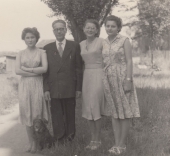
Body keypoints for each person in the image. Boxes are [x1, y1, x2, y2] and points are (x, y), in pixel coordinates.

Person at [102, 15, 140, 155]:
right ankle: (116, 144)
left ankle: (122, 145)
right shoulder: (104, 42)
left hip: (122, 77)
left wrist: (128, 80)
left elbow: (129, 61)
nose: (110, 28)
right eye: (107, 26)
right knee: (115, 112)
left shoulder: (125, 40)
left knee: (125, 111)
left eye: (113, 26)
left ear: (118, 28)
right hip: (109, 80)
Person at [43, 19, 83, 143]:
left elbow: (78, 68)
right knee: (56, 114)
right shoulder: (47, 48)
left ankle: (70, 139)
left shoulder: (74, 45)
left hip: (70, 86)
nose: (59, 31)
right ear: (53, 31)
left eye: (61, 28)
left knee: (70, 114)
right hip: (54, 87)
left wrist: (78, 88)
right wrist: (46, 89)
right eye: (56, 29)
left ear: (66, 30)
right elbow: (45, 72)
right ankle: (59, 139)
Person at [15, 27, 48, 153]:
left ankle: (38, 143)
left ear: (36, 38)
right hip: (25, 86)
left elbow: (44, 69)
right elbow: (17, 71)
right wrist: (35, 72)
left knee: (37, 114)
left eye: (32, 37)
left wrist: (27, 70)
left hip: (38, 85)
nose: (30, 40)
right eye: (27, 37)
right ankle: (31, 143)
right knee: (27, 114)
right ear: (24, 39)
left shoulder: (42, 52)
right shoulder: (20, 53)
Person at [79, 19, 105, 150]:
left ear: (97, 30)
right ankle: (92, 139)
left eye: (93, 28)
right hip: (87, 76)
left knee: (95, 106)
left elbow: (108, 59)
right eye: (87, 27)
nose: (90, 30)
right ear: (84, 29)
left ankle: (98, 140)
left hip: (99, 74)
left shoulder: (102, 42)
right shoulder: (81, 44)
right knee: (87, 107)